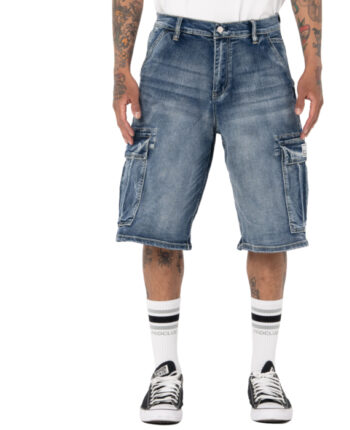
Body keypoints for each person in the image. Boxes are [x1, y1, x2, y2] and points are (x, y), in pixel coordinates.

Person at [112, 0, 323, 424]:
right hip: (175, 50)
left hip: (259, 50)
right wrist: (121, 69)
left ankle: (264, 370)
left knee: (269, 224)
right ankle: (165, 371)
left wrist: (313, 64)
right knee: (161, 221)